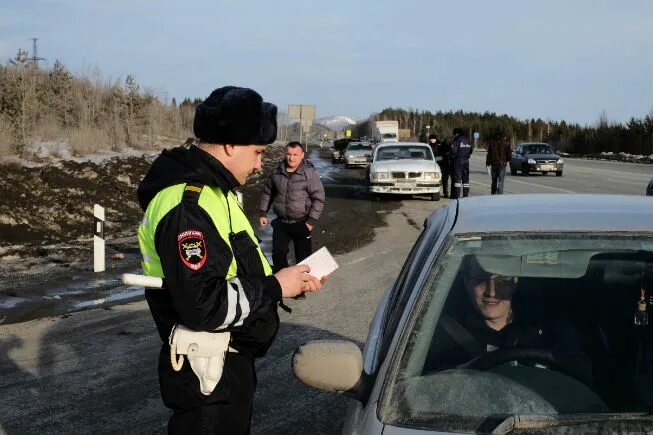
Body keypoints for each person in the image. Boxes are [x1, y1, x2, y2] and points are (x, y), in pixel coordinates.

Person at [137, 86, 325, 434]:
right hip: (206, 374)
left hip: (226, 365)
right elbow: (202, 305)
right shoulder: (187, 206)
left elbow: (241, 269)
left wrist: (289, 282)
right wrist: (273, 286)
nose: (258, 165)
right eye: (256, 152)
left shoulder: (217, 194)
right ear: (229, 145)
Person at [258, 141, 325, 274]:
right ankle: (283, 284)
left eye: (295, 154)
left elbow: (319, 198)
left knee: (303, 257)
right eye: (289, 154)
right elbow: (268, 193)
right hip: (281, 223)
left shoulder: (309, 173)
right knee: (278, 255)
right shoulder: (276, 171)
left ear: (302, 155)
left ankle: (302, 286)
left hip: (302, 222)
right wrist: (262, 212)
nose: (291, 158)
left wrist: (311, 222)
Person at [450, 127, 472, 199]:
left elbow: (453, 151)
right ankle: (465, 195)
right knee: (466, 179)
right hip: (466, 161)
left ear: (457, 133)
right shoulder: (468, 140)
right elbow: (470, 150)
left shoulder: (457, 140)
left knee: (457, 179)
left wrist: (452, 156)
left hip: (458, 161)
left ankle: (456, 195)